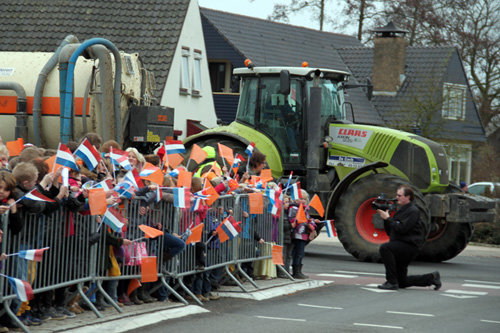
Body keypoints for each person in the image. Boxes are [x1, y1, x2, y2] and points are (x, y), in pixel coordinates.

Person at [376, 184, 441, 290]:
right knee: (402, 282)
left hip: (409, 246)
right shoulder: (402, 210)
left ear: (408, 197)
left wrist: (388, 219)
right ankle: (432, 278)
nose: (397, 197)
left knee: (385, 248)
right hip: (402, 244)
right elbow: (391, 231)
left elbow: (402, 228)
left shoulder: (412, 211)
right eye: (397, 195)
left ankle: (391, 282)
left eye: (399, 195)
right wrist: (385, 219)